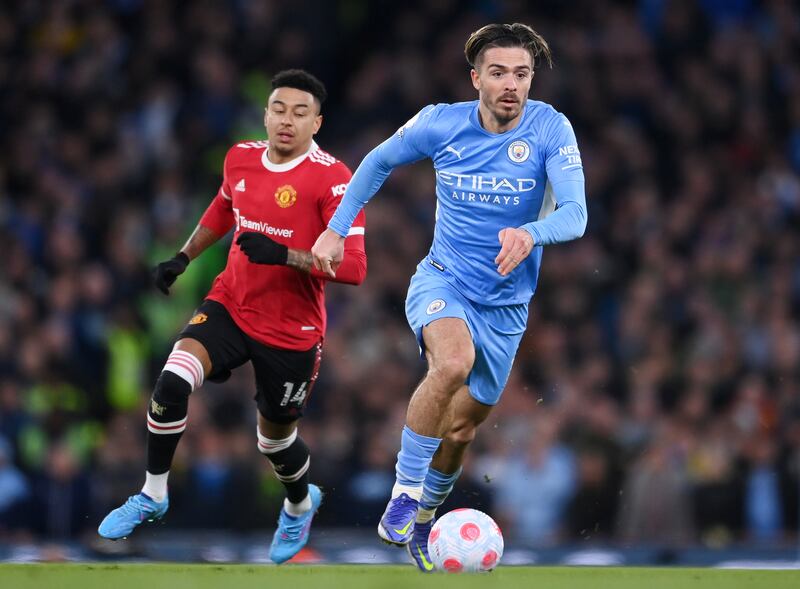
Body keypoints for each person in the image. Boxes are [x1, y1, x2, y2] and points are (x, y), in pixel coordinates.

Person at [312, 23, 586, 571]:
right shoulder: (441, 122)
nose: (512, 84)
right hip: (443, 280)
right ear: (476, 78)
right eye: (499, 72)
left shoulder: (551, 128)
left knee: (461, 430)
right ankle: (404, 492)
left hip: (506, 308)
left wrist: (531, 232)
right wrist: (336, 229)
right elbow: (377, 161)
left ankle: (425, 515)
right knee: (452, 363)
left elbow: (576, 215)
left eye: (522, 74)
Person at [98, 69, 367, 564]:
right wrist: (184, 257)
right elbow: (224, 207)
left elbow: (354, 267)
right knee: (172, 380)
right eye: (279, 109)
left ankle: (300, 503)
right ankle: (153, 493)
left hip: (292, 331)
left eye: (300, 113)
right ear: (265, 114)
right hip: (231, 304)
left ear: (317, 123)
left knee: (274, 442)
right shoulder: (240, 157)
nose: (287, 121)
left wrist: (287, 254)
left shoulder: (335, 179)